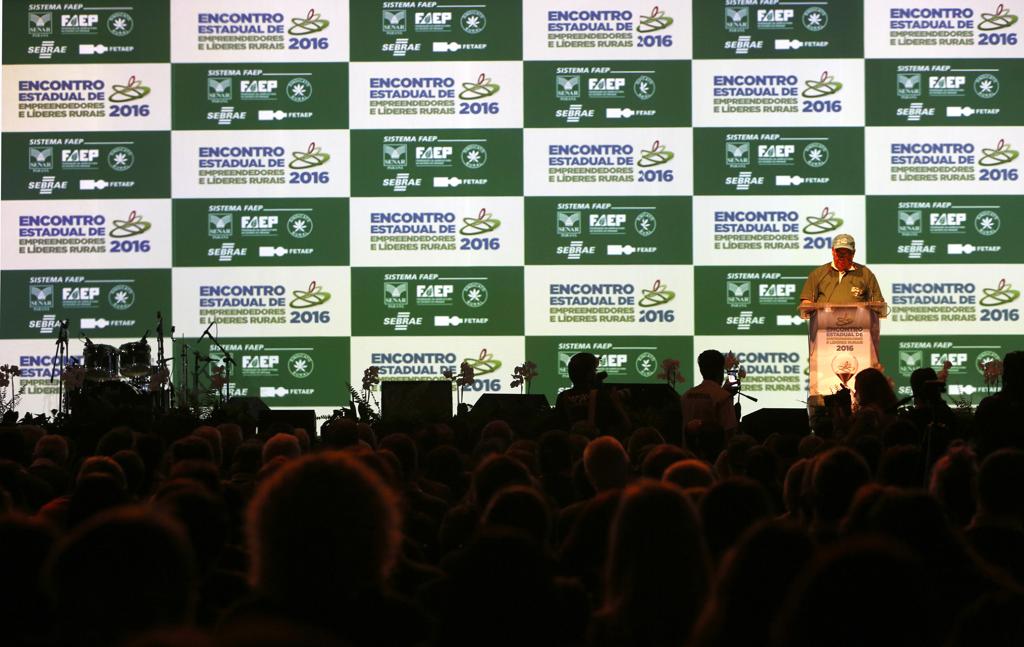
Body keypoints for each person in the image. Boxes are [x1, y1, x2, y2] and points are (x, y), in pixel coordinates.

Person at [799, 233, 885, 317]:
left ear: (853, 253)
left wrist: (872, 306)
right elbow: (806, 303)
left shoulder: (865, 273)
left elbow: (877, 304)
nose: (841, 257)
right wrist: (809, 306)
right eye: (839, 252)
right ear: (833, 251)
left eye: (846, 253)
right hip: (824, 326)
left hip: (859, 327)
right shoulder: (819, 273)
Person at [681, 350, 739, 442]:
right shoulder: (723, 397)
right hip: (714, 454)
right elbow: (729, 433)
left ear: (701, 370)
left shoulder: (686, 395)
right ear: (721, 369)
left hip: (688, 454)